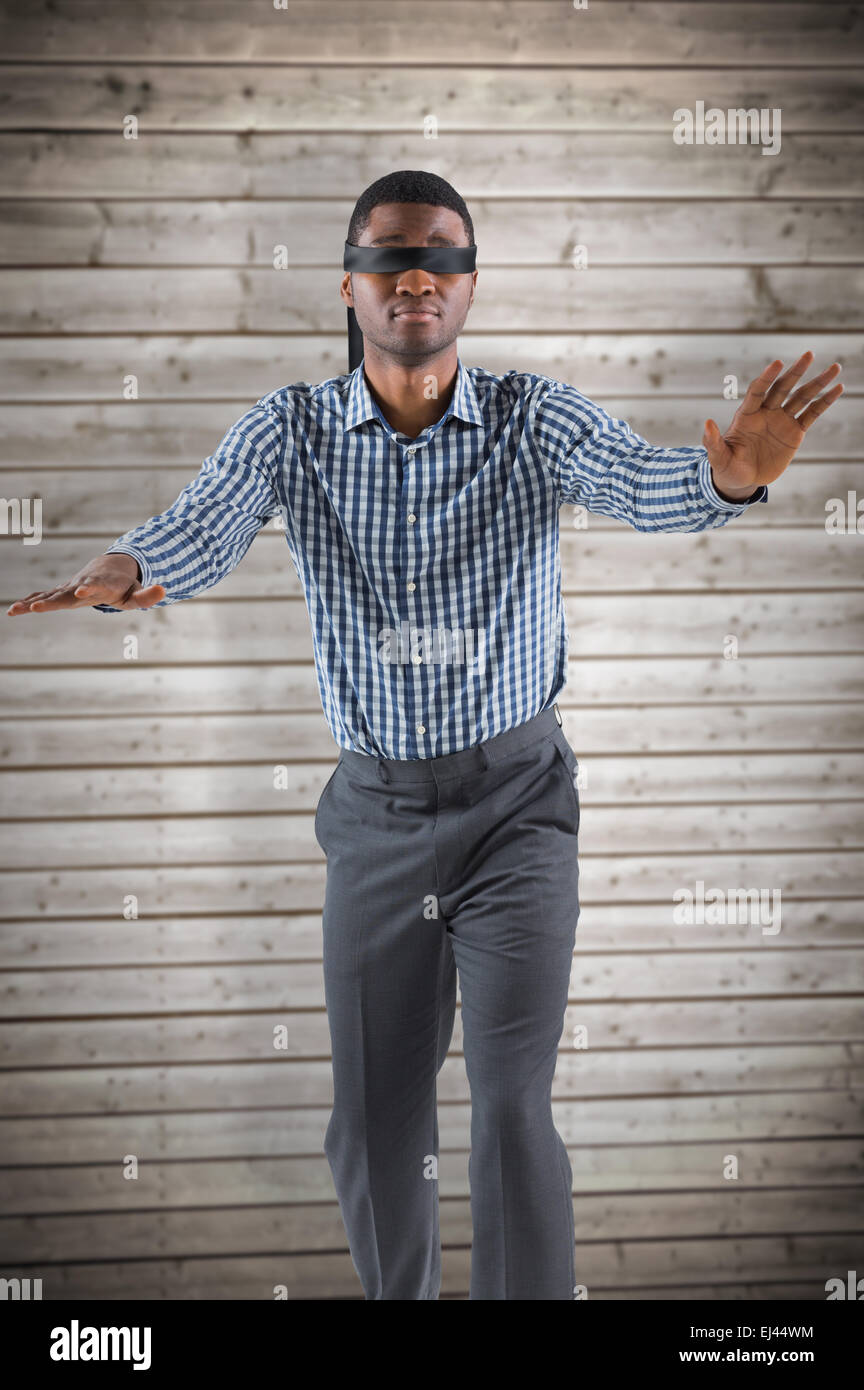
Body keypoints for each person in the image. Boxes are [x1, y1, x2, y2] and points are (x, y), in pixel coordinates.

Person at [7, 170, 843, 1301]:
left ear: (469, 286)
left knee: (508, 1103)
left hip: (518, 810)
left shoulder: (531, 418)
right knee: (374, 1125)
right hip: (378, 821)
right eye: (392, 253)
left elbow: (644, 483)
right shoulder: (291, 430)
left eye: (442, 255)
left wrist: (725, 481)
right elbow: (195, 530)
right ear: (352, 285)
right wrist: (127, 570)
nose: (417, 273)